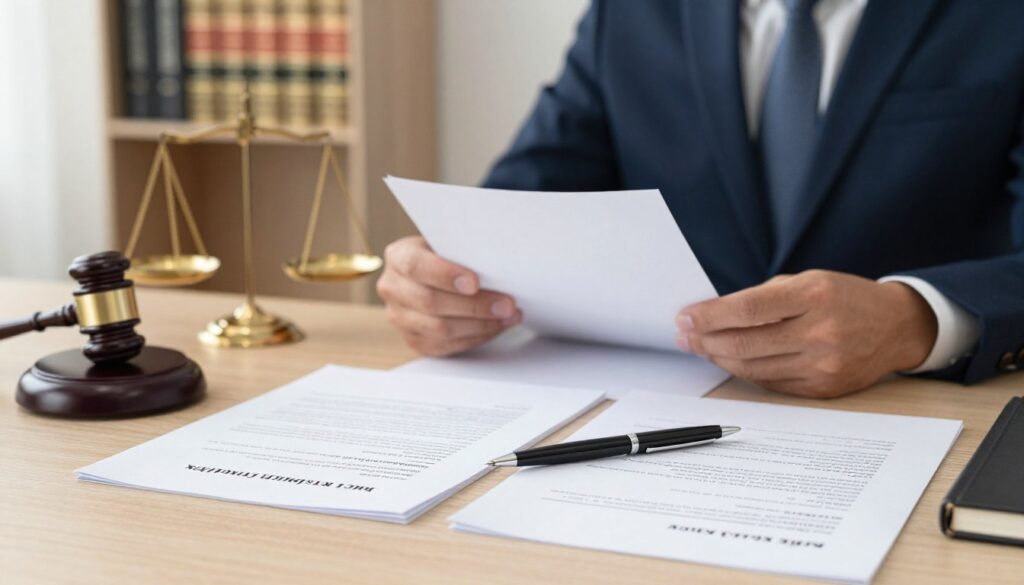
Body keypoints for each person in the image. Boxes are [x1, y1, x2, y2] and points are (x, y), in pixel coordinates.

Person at [377, 0, 1024, 398]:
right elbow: (523, 199)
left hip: (913, 413)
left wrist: (912, 320)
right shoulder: (631, 12)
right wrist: (440, 277)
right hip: (664, 425)